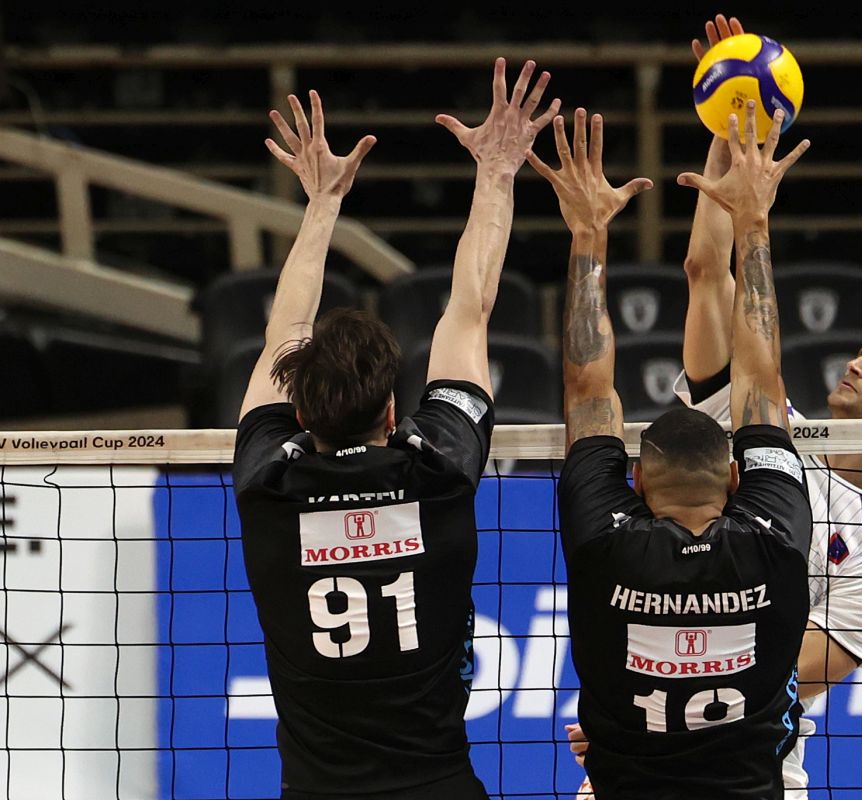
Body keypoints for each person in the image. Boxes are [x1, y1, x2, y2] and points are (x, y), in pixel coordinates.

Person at [232, 63, 558, 799]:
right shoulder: (439, 470)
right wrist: (497, 171)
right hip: (438, 783)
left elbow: (284, 333)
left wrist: (322, 202)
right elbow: (470, 308)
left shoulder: (267, 486)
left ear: (300, 414)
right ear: (391, 411)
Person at [534, 98, 813, 797]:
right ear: (735, 479)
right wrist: (754, 221)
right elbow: (761, 380)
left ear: (634, 483)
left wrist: (588, 233)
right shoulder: (775, 539)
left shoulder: (605, 543)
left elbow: (587, 388)